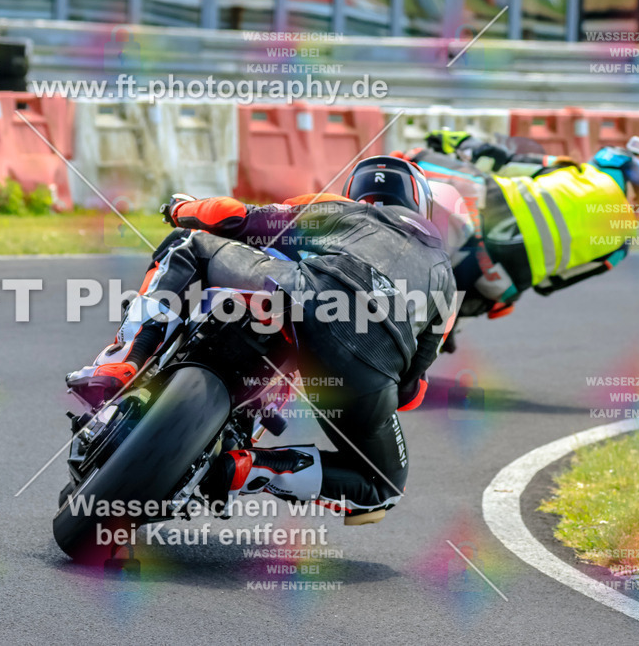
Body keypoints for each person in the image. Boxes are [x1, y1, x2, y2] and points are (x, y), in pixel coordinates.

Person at [67, 156, 458, 524]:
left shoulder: (344, 209)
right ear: (420, 204)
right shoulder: (445, 275)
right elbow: (411, 391)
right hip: (370, 374)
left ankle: (122, 360)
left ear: (356, 191)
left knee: (190, 243)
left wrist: (181, 208)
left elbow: (239, 219)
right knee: (384, 487)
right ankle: (252, 467)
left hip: (304, 296)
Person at [406, 132, 639, 320]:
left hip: (489, 207)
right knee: (501, 300)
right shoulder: (620, 248)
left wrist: (461, 140)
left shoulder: (569, 168)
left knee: (410, 158)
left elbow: (498, 160)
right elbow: (548, 285)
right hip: (501, 275)